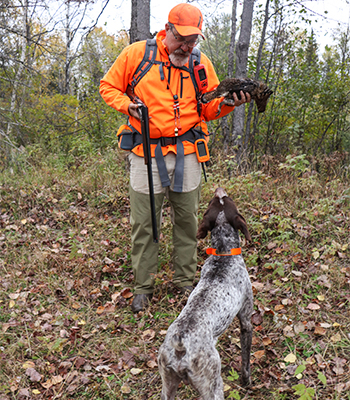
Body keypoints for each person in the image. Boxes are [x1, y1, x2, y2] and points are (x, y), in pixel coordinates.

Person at [99, 3, 251, 312]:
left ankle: (185, 282)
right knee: (145, 223)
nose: (186, 46)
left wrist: (229, 104)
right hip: (145, 153)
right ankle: (143, 286)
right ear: (167, 29)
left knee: (188, 222)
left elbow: (208, 107)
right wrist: (127, 105)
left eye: (192, 41)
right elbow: (108, 86)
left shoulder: (200, 62)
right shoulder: (136, 55)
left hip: (189, 153)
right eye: (181, 39)